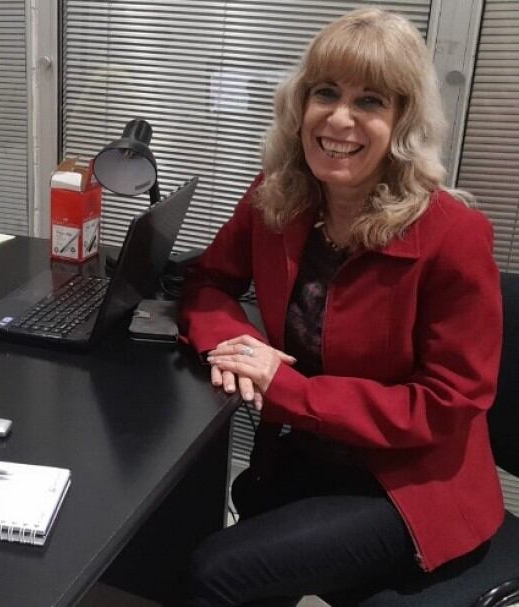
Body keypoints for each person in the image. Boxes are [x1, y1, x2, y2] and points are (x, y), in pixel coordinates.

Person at [178, 8, 504, 605]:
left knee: (216, 571)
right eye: (325, 93)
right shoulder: (276, 195)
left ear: (402, 121)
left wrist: (286, 388)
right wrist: (231, 345)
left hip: (407, 485)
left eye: (371, 101)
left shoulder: (454, 234)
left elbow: (449, 403)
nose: (339, 118)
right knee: (196, 529)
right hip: (300, 455)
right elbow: (208, 284)